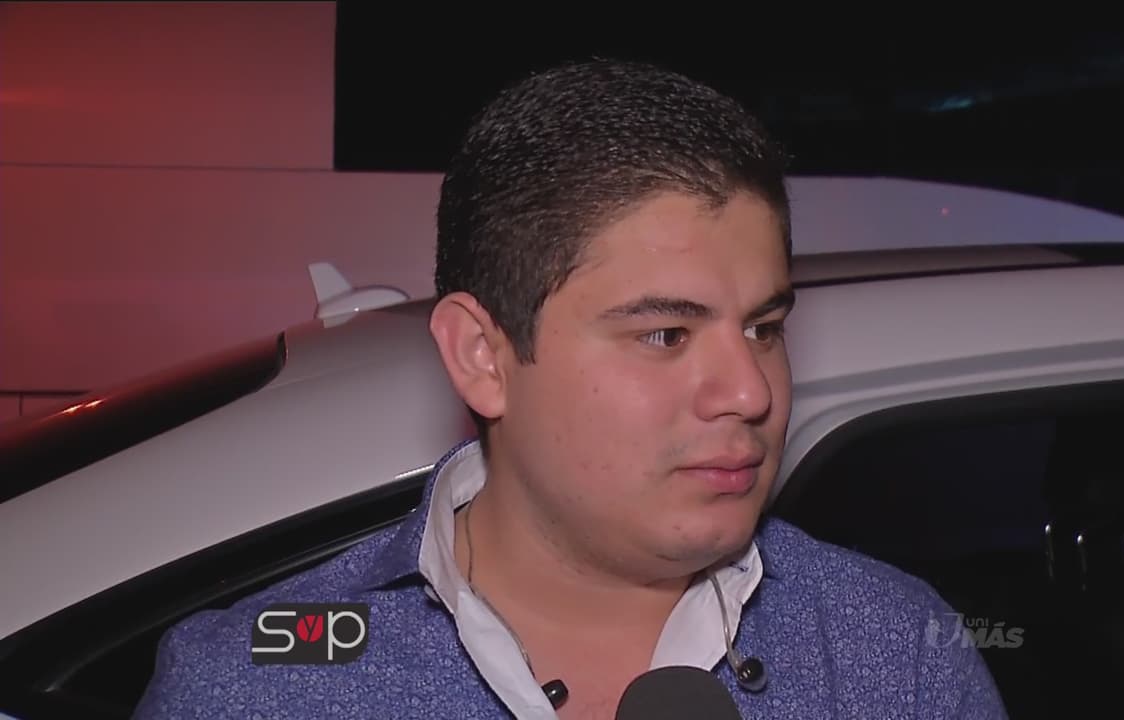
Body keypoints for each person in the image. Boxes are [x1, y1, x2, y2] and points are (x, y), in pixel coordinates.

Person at [133, 58, 1007, 719]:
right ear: (482, 357)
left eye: (764, 328)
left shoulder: (896, 655)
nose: (750, 392)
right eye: (665, 335)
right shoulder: (254, 684)